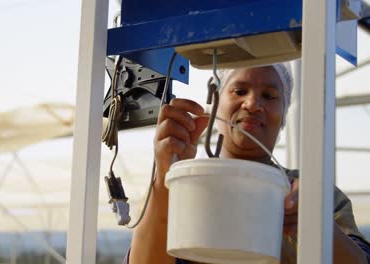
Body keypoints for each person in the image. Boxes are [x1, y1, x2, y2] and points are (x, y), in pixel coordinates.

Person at [125, 63, 370, 263]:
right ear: (216, 104)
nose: (252, 104)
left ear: (283, 113)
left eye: (269, 95)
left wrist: (319, 225)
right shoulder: (184, 188)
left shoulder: (313, 194)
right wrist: (166, 176)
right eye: (239, 91)